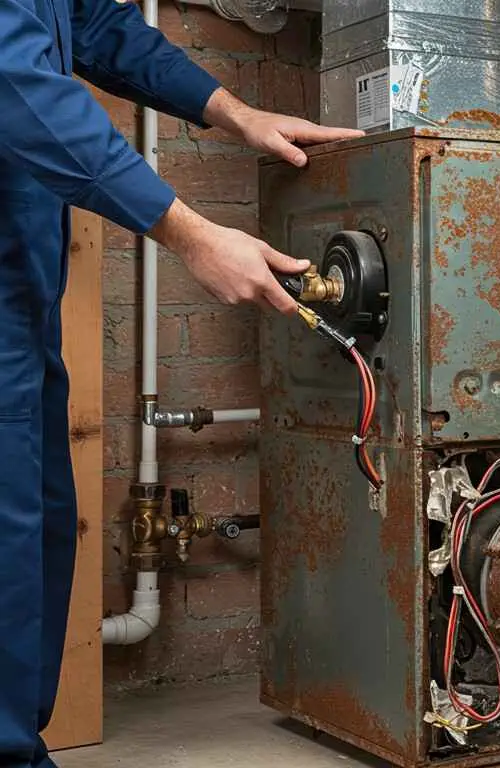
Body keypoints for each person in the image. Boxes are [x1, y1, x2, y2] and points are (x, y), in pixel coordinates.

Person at [0, 0, 363, 764]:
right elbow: (16, 83)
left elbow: (101, 31)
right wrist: (189, 235)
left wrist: (239, 114)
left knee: (36, 529)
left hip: (21, 292)